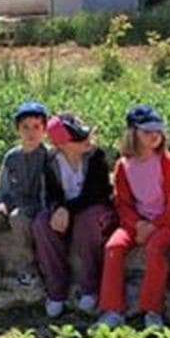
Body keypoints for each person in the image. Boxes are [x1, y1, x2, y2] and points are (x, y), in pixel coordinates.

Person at [98, 105, 170, 329]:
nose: (154, 135)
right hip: (137, 222)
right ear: (133, 133)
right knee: (113, 247)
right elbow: (123, 203)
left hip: (168, 222)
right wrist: (137, 224)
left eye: (158, 130)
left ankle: (152, 311)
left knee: (155, 249)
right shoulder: (123, 166)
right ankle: (112, 309)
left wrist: (154, 225)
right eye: (147, 131)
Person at [34, 113, 117, 319]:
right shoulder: (51, 161)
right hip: (67, 211)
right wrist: (57, 208)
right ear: (62, 144)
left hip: (94, 211)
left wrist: (67, 209)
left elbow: (96, 194)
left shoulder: (96, 157)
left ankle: (90, 287)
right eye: (79, 138)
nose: (87, 140)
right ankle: (57, 291)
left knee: (85, 221)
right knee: (41, 224)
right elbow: (52, 193)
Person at [0, 100, 52, 293]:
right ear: (18, 130)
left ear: (44, 130)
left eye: (36, 127)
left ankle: (27, 269)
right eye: (25, 127)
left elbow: (46, 192)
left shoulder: (48, 156)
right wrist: (0, 207)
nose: (30, 132)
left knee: (18, 218)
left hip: (34, 206)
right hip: (12, 202)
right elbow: (3, 187)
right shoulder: (12, 157)